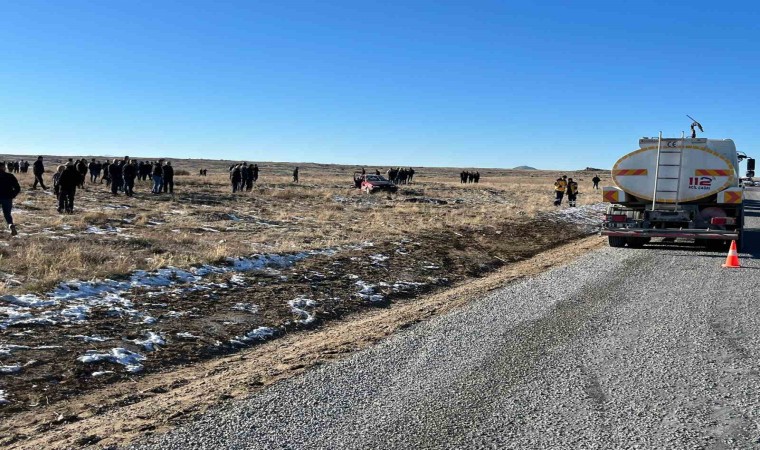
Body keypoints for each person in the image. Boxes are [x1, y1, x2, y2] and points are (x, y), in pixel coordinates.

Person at [0, 163, 20, 235]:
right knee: (7, 214)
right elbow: (17, 188)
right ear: (4, 168)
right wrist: (12, 195)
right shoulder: (10, 176)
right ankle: (10, 225)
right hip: (7, 198)